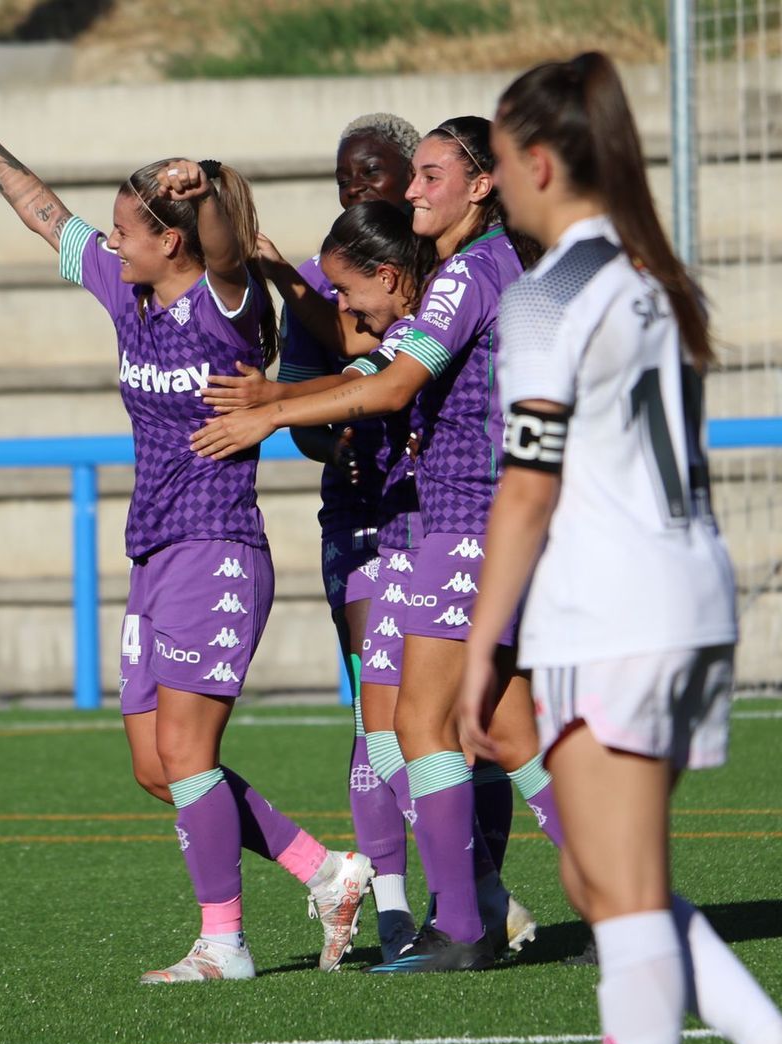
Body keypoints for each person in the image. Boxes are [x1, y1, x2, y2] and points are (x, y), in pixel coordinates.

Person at [0, 82, 373, 984]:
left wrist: (200, 184)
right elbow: (44, 214)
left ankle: (224, 943)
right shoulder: (124, 294)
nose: (111, 239)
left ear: (171, 239)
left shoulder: (227, 302)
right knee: (155, 765)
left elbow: (224, 246)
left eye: (129, 228)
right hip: (153, 551)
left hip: (218, 548)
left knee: (188, 755)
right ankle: (325, 872)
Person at [455, 53, 782, 1044]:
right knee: (600, 875)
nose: (490, 183)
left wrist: (477, 645)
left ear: (537, 163)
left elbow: (527, 485)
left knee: (617, 899)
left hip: (609, 607)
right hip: (690, 596)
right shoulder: (649, 274)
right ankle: (767, 1038)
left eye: (494, 161)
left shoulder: (547, 298)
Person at [192, 118, 544, 973]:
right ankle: (614, 904)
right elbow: (373, 362)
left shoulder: (469, 273)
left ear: (481, 184)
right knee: (511, 731)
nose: (409, 190)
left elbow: (388, 382)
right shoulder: (501, 267)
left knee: (418, 722)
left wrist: (269, 412)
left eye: (426, 175)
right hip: (476, 516)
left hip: (462, 518)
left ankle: (464, 921)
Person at [258, 111, 421, 963]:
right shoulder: (323, 291)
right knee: (378, 712)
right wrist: (334, 421)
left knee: (472, 721)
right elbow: (305, 424)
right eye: (345, 177)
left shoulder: (458, 282)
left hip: (444, 517)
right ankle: (394, 907)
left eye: (376, 173)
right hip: (360, 525)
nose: (358, 187)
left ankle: (483, 893)